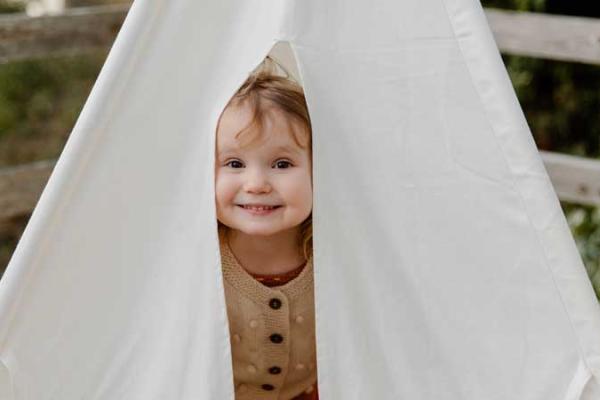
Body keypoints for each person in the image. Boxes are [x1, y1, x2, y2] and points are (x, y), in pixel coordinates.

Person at [214, 56, 319, 400]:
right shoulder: (199, 258)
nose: (257, 183)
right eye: (234, 163)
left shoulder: (332, 250)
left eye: (282, 163)